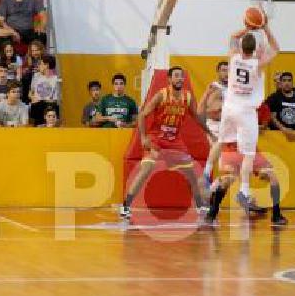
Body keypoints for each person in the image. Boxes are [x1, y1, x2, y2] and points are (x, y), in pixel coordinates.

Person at [119, 67, 213, 220]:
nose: (180, 79)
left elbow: (196, 117)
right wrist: (143, 137)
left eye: (182, 76)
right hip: (157, 138)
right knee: (146, 169)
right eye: (176, 76)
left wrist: (210, 132)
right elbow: (142, 115)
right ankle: (126, 206)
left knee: (192, 172)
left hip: (175, 140)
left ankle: (200, 205)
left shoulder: (187, 98)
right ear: (169, 79)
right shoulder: (161, 95)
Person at [216, 20, 280, 218]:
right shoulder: (257, 64)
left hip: (229, 108)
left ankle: (209, 171)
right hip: (245, 111)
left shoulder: (233, 58)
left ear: (241, 47)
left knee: (220, 142)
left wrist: (248, 27)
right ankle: (244, 191)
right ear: (255, 50)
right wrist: (265, 28)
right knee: (248, 154)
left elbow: (232, 37)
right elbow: (276, 48)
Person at [197, 62, 229, 189]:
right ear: (218, 72)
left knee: (228, 169)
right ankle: (205, 175)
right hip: (215, 126)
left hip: (228, 127)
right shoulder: (214, 88)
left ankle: (209, 191)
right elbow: (202, 110)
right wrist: (209, 132)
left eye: (228, 70)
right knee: (224, 162)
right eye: (223, 70)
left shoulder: (233, 89)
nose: (226, 73)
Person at [265, 72, 295, 137]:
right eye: (284, 81)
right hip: (279, 134)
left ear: (292, 83)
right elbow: (273, 117)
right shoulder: (274, 97)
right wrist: (283, 129)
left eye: (289, 80)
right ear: (281, 83)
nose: (287, 83)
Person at [28, 54, 62, 126]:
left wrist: (46, 99)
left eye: (41, 64)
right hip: (38, 104)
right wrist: (32, 97)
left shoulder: (56, 79)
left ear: (47, 65)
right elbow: (30, 92)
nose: (39, 66)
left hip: (50, 104)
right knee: (35, 105)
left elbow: (57, 98)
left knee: (50, 106)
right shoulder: (36, 76)